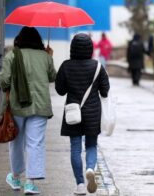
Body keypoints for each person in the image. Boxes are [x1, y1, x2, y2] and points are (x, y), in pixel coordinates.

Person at [0, 26, 56, 195]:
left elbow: (4, 81)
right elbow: (52, 76)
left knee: (16, 141)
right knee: (35, 142)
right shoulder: (45, 56)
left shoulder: (12, 56)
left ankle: (16, 177)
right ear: (38, 40)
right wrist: (49, 57)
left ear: (19, 39)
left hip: (17, 106)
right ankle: (30, 183)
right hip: (40, 105)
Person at [55, 33, 110, 195]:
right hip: (92, 112)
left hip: (73, 112)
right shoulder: (98, 66)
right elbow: (105, 91)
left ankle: (80, 184)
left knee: (75, 148)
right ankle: (90, 168)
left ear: (73, 48)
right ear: (90, 48)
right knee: (92, 145)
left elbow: (60, 90)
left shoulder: (66, 66)